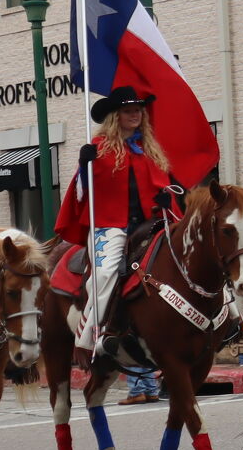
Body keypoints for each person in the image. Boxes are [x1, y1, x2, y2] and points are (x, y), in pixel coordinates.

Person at [56, 86, 183, 381]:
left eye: (138, 110)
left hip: (148, 223)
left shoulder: (149, 149)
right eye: (128, 110)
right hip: (110, 225)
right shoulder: (99, 148)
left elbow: (161, 186)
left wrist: (165, 197)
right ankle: (87, 337)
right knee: (105, 272)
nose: (135, 114)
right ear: (116, 116)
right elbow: (79, 193)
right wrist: (84, 167)